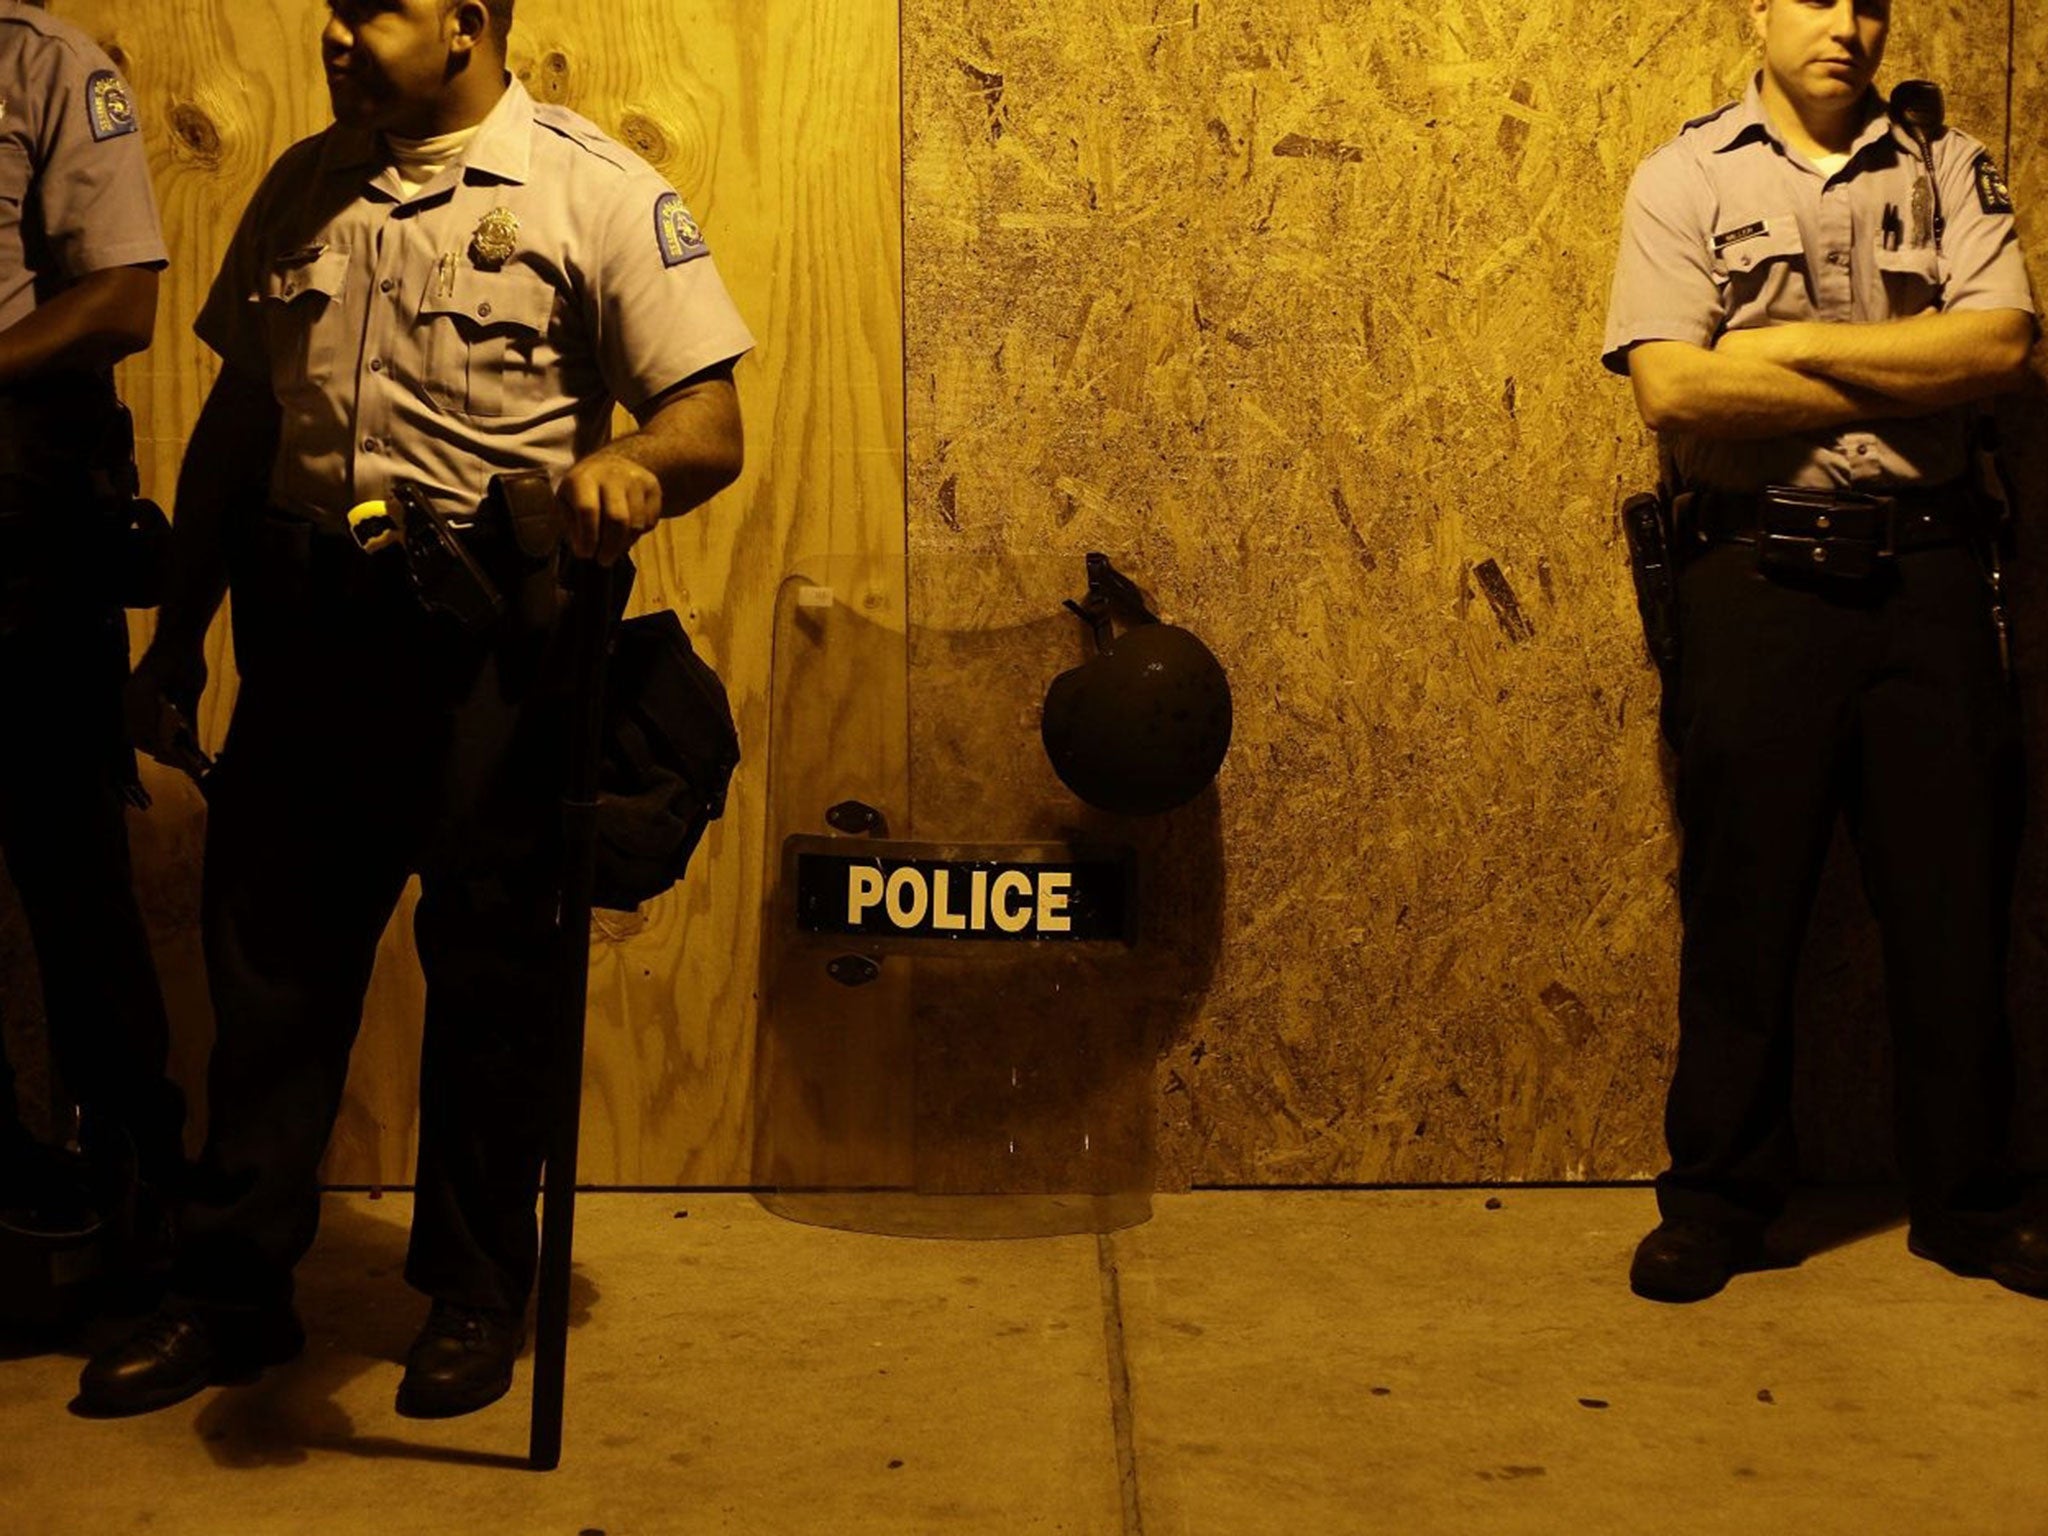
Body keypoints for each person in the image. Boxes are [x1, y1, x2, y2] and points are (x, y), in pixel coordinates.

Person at [78, 0, 752, 1414]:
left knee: (497, 971)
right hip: (308, 631)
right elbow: (239, 429)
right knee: (269, 971)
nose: (330, 33)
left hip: (496, 648)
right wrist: (179, 640)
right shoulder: (304, 187)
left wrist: (633, 467)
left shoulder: (595, 192)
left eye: (368, 7)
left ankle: (472, 1290)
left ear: (464, 23)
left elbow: (708, 424)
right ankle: (235, 1291)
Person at [1602, 0, 2042, 1302]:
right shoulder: (1685, 174)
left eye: (1868, 1)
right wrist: (1912, 364)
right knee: (1745, 900)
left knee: (1955, 900)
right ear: (1759, 10)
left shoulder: (1947, 164)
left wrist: (1783, 344)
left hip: (1934, 574)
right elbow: (1677, 389)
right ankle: (1720, 1201)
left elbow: (2004, 342)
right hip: (1754, 576)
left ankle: (1966, 1201)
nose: (1845, 23)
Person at [0, 0, 183, 1282]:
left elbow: (123, 298)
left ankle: (146, 1202)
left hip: (20, 540)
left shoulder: (43, 63)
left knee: (70, 871)